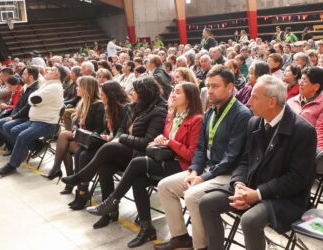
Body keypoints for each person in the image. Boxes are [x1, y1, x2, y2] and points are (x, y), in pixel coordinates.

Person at [200, 75, 317, 250]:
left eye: (254, 97)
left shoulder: (303, 131)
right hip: (252, 186)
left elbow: (297, 179)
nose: (248, 103)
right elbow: (245, 160)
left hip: (285, 197)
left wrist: (258, 194)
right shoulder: (254, 122)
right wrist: (238, 183)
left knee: (250, 220)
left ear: (272, 102)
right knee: (207, 202)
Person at [86, 83, 203, 248]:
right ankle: (147, 228)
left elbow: (191, 155)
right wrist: (160, 140)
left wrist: (169, 142)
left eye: (178, 92)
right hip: (165, 161)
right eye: (173, 91)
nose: (173, 95)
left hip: (182, 167)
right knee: (138, 179)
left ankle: (112, 202)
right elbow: (165, 139)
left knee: (137, 163)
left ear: (189, 97)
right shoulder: (172, 115)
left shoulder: (197, 119)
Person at [154, 65, 252, 250]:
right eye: (208, 85)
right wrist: (193, 170)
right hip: (208, 169)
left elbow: (232, 157)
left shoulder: (241, 114)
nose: (209, 90)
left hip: (229, 174)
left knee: (192, 196)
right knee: (165, 186)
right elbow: (200, 148)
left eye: (215, 86)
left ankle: (202, 246)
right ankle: (181, 237)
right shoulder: (209, 112)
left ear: (230, 87)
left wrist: (202, 177)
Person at [62, 77, 167, 228]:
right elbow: (121, 130)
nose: (131, 92)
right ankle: (109, 213)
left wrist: (120, 138)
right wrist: (117, 138)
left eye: (134, 91)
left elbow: (146, 142)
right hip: (128, 150)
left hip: (140, 154)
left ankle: (82, 177)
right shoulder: (134, 107)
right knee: (104, 167)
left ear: (143, 94)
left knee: (107, 148)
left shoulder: (158, 112)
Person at [68, 80, 131, 210]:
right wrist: (104, 135)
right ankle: (81, 192)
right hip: (109, 143)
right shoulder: (108, 107)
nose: (101, 97)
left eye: (103, 95)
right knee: (80, 152)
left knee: (85, 155)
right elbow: (105, 129)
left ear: (111, 95)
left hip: (119, 147)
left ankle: (82, 191)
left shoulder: (125, 109)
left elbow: (122, 132)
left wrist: (110, 137)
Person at [0, 65, 65, 176]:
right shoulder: (48, 84)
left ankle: (12, 165)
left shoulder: (54, 87)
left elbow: (33, 99)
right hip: (36, 120)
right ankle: (36, 146)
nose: (48, 70)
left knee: (22, 136)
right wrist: (33, 99)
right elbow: (33, 99)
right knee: (13, 131)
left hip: (46, 123)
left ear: (57, 75)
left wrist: (33, 99)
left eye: (52, 70)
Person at [41, 76, 105, 186]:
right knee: (64, 146)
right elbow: (75, 122)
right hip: (82, 138)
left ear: (86, 88)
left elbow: (99, 129)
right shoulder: (82, 101)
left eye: (79, 86)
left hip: (91, 141)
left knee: (64, 135)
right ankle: (69, 180)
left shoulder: (98, 104)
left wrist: (79, 132)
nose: (76, 88)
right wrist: (76, 130)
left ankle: (58, 171)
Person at [0, 67, 40, 153]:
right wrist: (13, 116)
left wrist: (14, 117)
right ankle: (16, 146)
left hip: (28, 117)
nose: (22, 76)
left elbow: (27, 107)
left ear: (30, 77)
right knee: (0, 123)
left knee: (6, 126)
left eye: (24, 74)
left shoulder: (35, 89)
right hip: (21, 115)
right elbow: (18, 105)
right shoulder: (26, 86)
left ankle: (33, 146)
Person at [287, 66, 323, 150]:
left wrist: (318, 156)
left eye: (305, 81)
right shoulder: (291, 102)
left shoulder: (321, 104)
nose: (300, 83)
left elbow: (320, 131)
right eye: (301, 80)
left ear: (316, 86)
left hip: (307, 148)